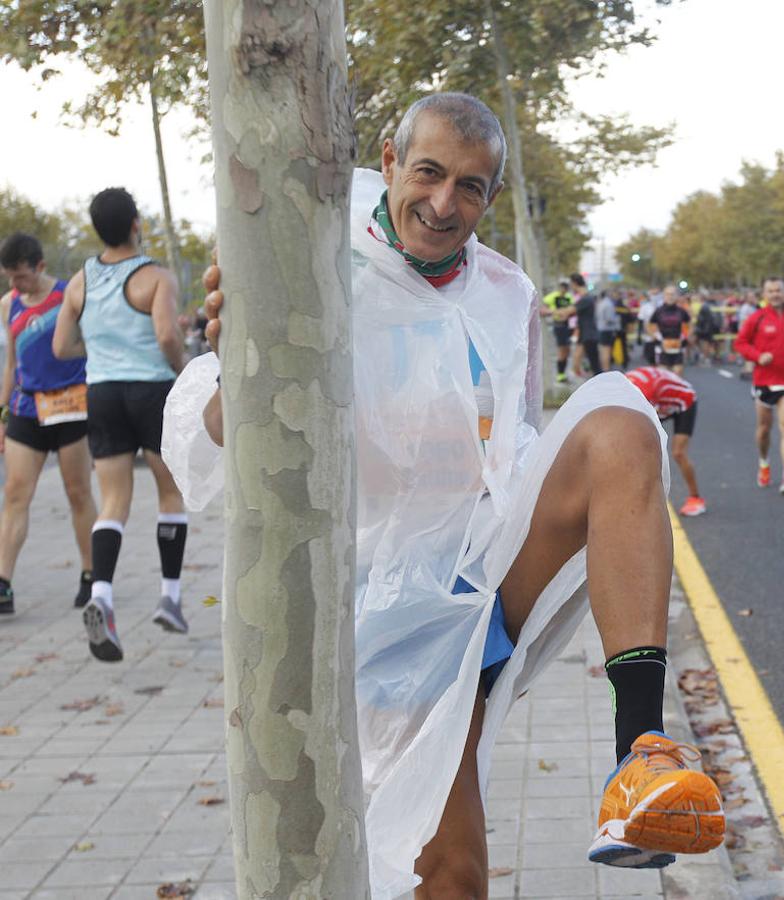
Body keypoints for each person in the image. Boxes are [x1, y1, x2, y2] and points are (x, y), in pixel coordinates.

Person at [177, 93, 723, 899]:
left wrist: (591, 474)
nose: (443, 203)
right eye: (429, 172)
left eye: (470, 186)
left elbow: (517, 448)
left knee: (619, 423)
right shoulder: (307, 266)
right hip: (363, 621)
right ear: (392, 163)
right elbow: (210, 443)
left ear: (491, 198)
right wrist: (239, 355)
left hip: (474, 590)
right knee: (452, 877)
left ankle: (641, 755)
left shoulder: (506, 295)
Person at [52, 187, 188, 662]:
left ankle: (102, 596)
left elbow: (61, 348)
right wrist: (184, 369)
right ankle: (170, 598)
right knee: (170, 491)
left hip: (103, 392)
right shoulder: (156, 277)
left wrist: (105, 352)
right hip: (151, 390)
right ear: (136, 223)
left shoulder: (78, 283)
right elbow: (168, 334)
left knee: (113, 498)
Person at [0, 233, 96, 615]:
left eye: (21, 276)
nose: (15, 285)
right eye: (9, 277)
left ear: (39, 267)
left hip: (72, 405)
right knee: (15, 494)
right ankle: (3, 583)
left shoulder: (68, 295)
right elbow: (11, 365)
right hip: (27, 409)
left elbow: (92, 344)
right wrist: (2, 412)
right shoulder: (8, 305)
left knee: (77, 493)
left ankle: (92, 575)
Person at [734, 276, 784, 495]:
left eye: (779, 290)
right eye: (771, 291)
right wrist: (757, 356)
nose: (775, 294)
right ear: (764, 295)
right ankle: (764, 462)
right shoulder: (757, 318)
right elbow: (740, 343)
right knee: (764, 430)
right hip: (765, 381)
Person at [625, 366, 705, 516]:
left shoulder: (644, 392)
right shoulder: (624, 384)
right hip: (662, 398)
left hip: (684, 401)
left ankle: (696, 499)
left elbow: (645, 423)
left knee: (678, 453)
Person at [649, 285, 691, 375]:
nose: (670, 297)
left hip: (678, 346)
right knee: (664, 377)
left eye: (672, 294)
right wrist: (655, 336)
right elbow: (650, 324)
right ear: (664, 296)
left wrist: (686, 337)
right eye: (668, 294)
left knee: (677, 375)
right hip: (662, 346)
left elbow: (689, 325)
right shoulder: (659, 311)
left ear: (676, 296)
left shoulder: (681, 311)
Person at [541, 279, 574, 383]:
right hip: (558, 325)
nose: (563, 290)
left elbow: (573, 310)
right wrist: (555, 312)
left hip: (568, 326)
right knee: (561, 350)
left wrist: (567, 314)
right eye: (562, 287)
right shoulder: (552, 296)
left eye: (565, 287)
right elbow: (543, 310)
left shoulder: (569, 297)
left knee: (567, 350)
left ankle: (563, 373)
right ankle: (560, 375)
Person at [569, 272, 601, 377]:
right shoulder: (586, 298)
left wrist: (549, 312)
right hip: (585, 333)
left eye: (571, 284)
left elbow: (569, 311)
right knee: (584, 361)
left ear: (574, 283)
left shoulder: (586, 299)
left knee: (595, 365)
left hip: (589, 334)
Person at [596, 290, 619, 373]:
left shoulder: (601, 303)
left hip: (601, 329)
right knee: (607, 351)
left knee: (602, 350)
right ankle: (606, 370)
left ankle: (603, 369)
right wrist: (616, 319)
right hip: (607, 330)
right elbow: (609, 319)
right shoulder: (609, 304)